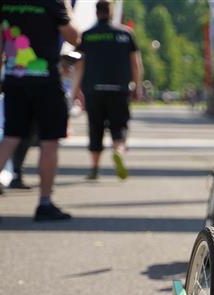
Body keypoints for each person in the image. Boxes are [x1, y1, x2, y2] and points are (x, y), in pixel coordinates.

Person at [0, 0, 80, 222]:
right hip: (46, 80)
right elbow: (74, 38)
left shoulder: (5, 3)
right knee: (49, 141)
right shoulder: (53, 2)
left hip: (14, 78)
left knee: (10, 137)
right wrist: (68, 9)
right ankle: (45, 202)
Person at [73, 0, 142, 181]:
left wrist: (75, 90)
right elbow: (135, 64)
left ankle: (94, 168)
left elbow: (79, 66)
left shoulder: (87, 35)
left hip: (94, 90)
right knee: (119, 128)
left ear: (97, 13)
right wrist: (137, 87)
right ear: (111, 13)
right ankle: (118, 150)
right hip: (119, 89)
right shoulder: (126, 34)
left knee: (95, 129)